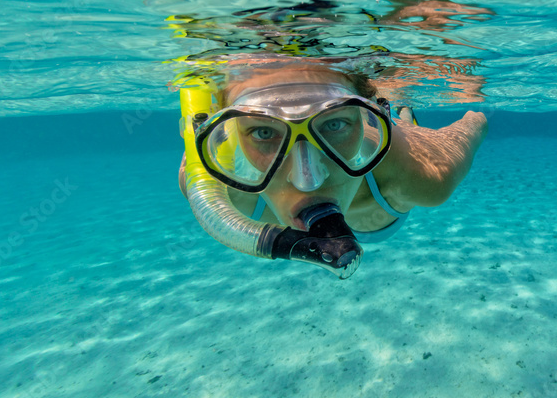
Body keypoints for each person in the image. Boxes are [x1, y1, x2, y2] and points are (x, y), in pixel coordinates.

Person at [177, 57, 488, 278]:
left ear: (365, 117)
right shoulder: (216, 183)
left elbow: (476, 121)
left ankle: (401, 119)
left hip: (393, 147)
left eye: (335, 123)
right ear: (228, 131)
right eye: (263, 131)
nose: (308, 180)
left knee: (405, 130)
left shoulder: (423, 175)